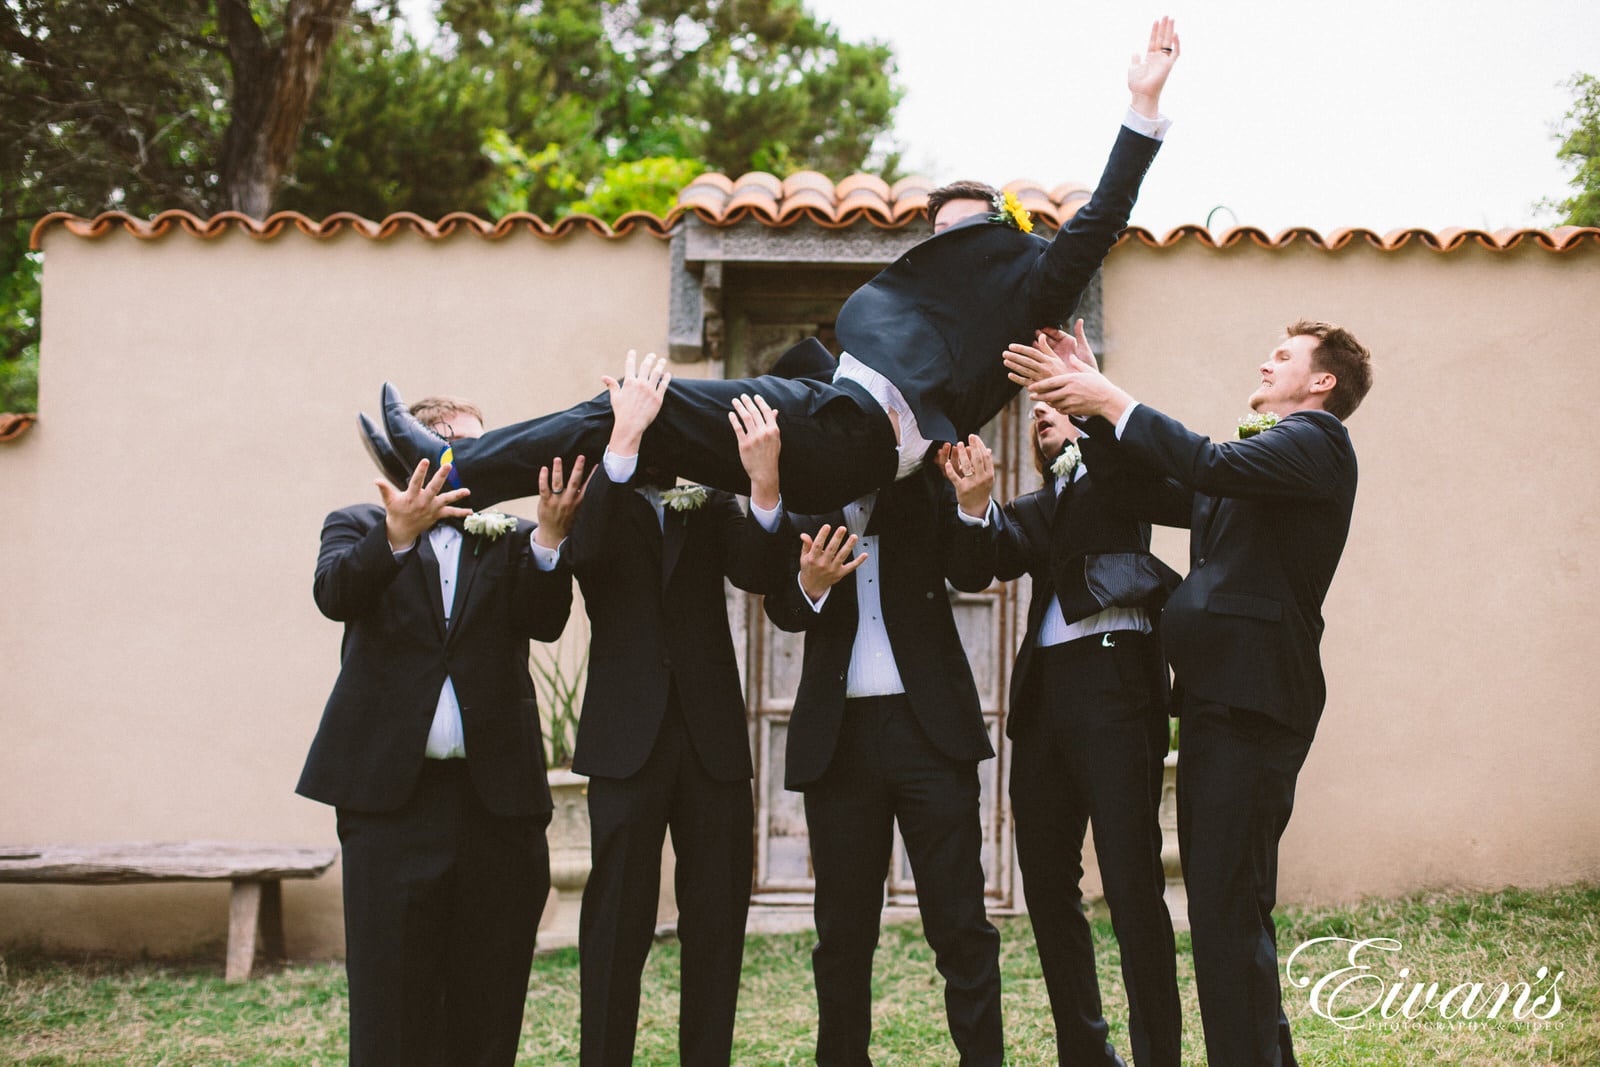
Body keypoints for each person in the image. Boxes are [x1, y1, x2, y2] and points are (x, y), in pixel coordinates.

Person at [360, 19, 1181, 515]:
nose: (948, 254)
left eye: (965, 237)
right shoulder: (918, 317)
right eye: (938, 240)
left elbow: (1101, 217)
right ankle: (453, 478)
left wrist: (1142, 106)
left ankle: (447, 463)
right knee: (626, 420)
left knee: (626, 404)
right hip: (826, 427)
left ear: (1005, 240)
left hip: (848, 437)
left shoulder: (1031, 287)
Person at [1008, 320, 1374, 1067]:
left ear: (1322, 382)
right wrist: (1086, 416)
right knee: (1225, 908)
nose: (1266, 360)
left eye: (1284, 355)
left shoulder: (1317, 442)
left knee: (1226, 910)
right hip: (1216, 701)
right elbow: (1154, 482)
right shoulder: (1257, 467)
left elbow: (1203, 459)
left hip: (1253, 700)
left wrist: (1111, 398)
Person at [297, 395, 587, 1067]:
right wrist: (398, 533)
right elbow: (334, 593)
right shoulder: (358, 524)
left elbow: (545, 620)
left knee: (490, 996)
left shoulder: (513, 537)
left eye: (479, 444)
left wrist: (548, 537)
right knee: (390, 1001)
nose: (472, 456)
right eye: (455, 441)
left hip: (496, 806)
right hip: (391, 807)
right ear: (411, 455)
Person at [957, 342, 1182, 1065]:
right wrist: (971, 506)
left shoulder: (1121, 472)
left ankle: (1158, 1054)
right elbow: (987, 555)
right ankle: (1085, 1053)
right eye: (1037, 407)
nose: (1042, 412)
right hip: (1046, 702)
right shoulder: (1042, 504)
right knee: (1048, 884)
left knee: (1130, 883)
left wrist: (1098, 400)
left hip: (1115, 688)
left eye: (1059, 402)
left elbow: (1134, 468)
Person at [563, 355, 787, 1066]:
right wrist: (620, 443)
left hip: (712, 742)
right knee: (614, 928)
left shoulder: (712, 501)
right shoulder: (599, 496)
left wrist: (763, 480)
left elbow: (756, 568)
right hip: (625, 743)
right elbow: (585, 554)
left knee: (717, 929)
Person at [762, 438, 1005, 1066]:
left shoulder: (926, 484)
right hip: (838, 742)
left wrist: (974, 503)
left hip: (930, 734)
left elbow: (973, 571)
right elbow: (782, 610)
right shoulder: (801, 504)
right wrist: (809, 585)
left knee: (960, 925)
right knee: (842, 935)